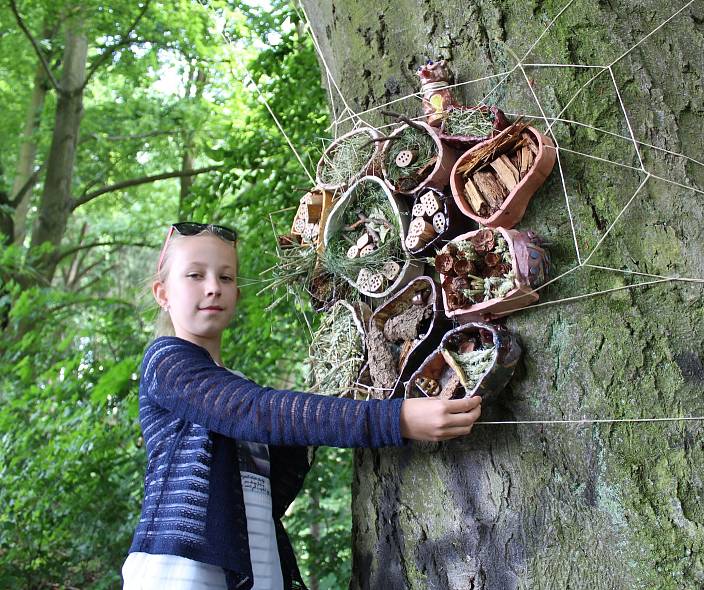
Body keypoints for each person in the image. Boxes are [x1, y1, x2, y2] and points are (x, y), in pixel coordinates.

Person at [121, 222, 482, 590]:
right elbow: (254, 411)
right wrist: (395, 419)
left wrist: (317, 423)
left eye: (226, 277)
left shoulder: (239, 383)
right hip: (179, 572)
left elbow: (266, 488)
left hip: (257, 571)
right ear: (162, 293)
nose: (213, 287)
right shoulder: (164, 362)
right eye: (195, 275)